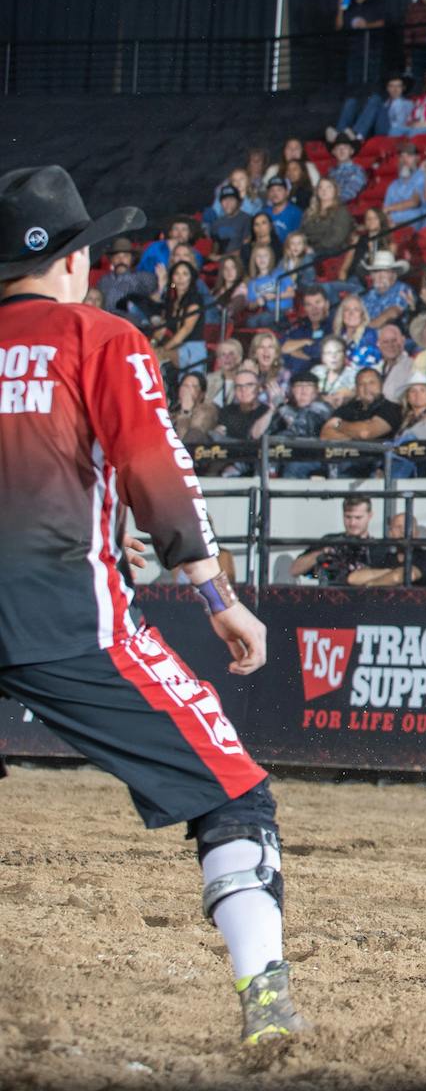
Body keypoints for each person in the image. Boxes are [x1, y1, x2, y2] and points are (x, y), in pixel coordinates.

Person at [0, 165, 307, 1044]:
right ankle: (265, 1000)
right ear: (74, 260)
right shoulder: (101, 338)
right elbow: (155, 474)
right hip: (66, 616)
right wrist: (215, 594)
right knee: (233, 792)